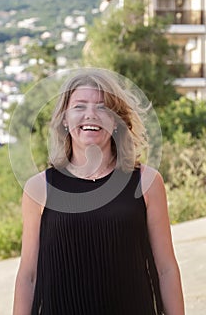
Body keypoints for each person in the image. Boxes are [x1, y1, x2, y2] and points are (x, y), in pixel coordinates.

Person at [13, 69, 184, 315]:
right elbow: (28, 276)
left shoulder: (147, 182)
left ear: (116, 121)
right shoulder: (39, 189)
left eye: (103, 107)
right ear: (64, 118)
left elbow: (166, 268)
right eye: (79, 106)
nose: (90, 115)